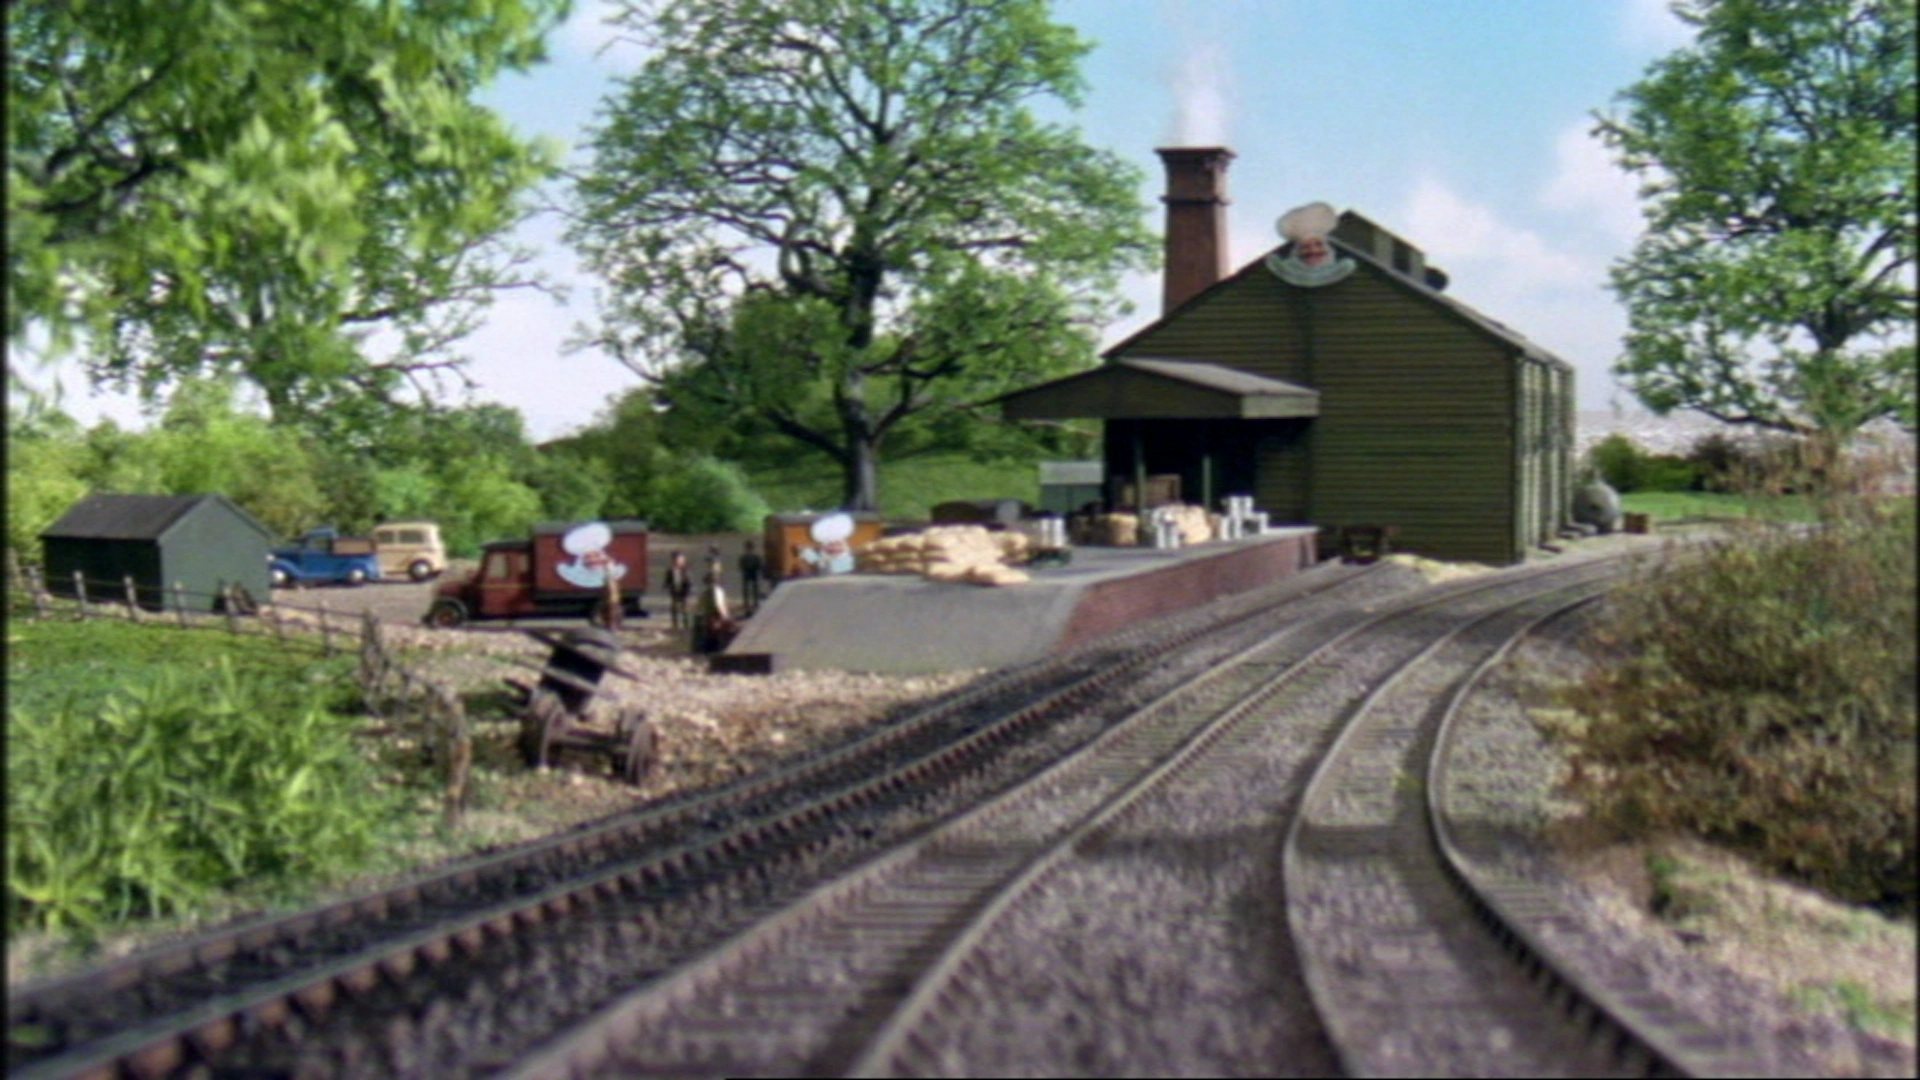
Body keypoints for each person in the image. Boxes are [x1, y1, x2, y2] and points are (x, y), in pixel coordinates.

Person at [663, 551, 693, 629]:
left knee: (684, 608)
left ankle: (686, 624)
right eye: (675, 560)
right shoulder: (671, 570)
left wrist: (688, 589)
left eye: (680, 560)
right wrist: (666, 585)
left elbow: (689, 581)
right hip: (674, 591)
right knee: (674, 608)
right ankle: (675, 624)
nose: (677, 562)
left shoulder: (685, 570)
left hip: (684, 591)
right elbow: (668, 580)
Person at [738, 540, 764, 613]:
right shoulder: (755, 557)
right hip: (752, 573)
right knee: (752, 589)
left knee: (748, 589)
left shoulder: (744, 557)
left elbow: (741, 566)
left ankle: (749, 603)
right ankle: (753, 603)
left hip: (748, 573)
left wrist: (744, 569)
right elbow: (759, 565)